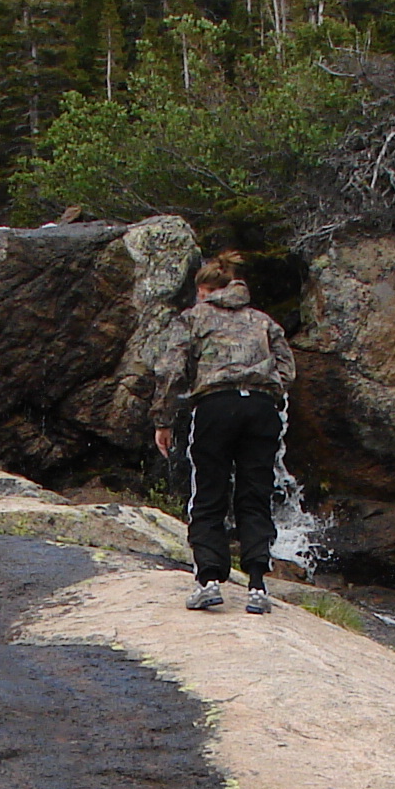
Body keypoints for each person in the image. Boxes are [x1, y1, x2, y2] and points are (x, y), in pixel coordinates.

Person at [149, 254, 294, 613]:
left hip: (215, 406)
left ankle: (209, 579)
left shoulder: (194, 317)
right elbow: (287, 369)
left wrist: (163, 419)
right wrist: (267, 392)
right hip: (261, 409)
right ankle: (258, 585)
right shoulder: (263, 320)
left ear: (207, 290)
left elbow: (170, 369)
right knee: (255, 492)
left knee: (209, 490)